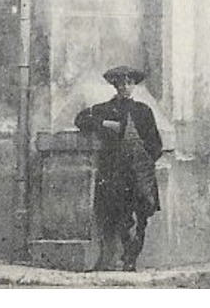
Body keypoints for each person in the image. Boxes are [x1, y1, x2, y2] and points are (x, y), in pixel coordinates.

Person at [75, 65, 164, 272]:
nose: (125, 87)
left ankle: (133, 256)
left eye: (129, 83)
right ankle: (126, 257)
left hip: (141, 172)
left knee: (142, 216)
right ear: (115, 86)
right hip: (117, 172)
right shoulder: (106, 108)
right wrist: (105, 123)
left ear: (134, 85)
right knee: (122, 215)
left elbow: (156, 143)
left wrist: (144, 159)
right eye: (121, 83)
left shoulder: (143, 110)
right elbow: (80, 119)